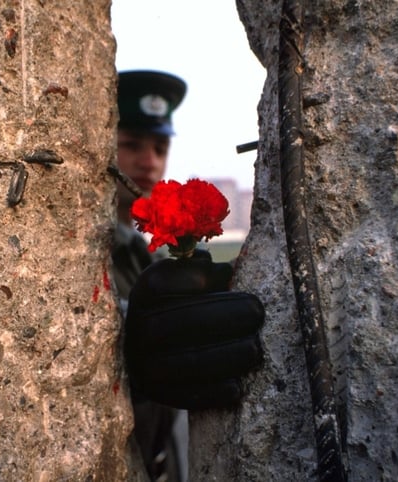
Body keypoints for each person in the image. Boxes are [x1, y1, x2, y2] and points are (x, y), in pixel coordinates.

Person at [111, 70, 264, 482]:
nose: (150, 161)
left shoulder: (158, 255)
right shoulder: (89, 252)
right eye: (131, 145)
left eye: (160, 147)